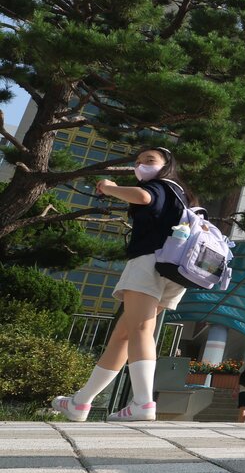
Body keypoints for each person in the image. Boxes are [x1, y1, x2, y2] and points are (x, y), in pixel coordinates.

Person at [52, 147, 191, 422]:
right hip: (176, 271)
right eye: (137, 162)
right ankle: (80, 402)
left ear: (167, 165)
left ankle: (142, 403)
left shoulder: (160, 185)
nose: (141, 166)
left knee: (140, 329)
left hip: (150, 262)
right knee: (123, 336)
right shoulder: (182, 195)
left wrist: (110, 187)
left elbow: (143, 196)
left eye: (150, 160)